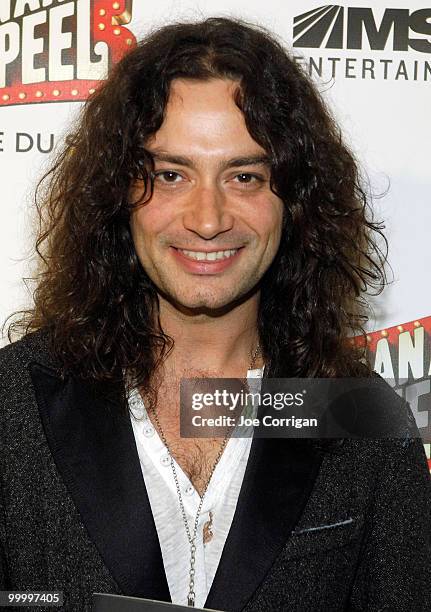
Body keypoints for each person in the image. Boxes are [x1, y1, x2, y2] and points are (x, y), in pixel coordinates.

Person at [0, 16, 430, 612]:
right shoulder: (12, 402)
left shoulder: (359, 417)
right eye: (171, 175)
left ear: (297, 201)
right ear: (118, 192)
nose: (207, 219)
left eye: (246, 176)